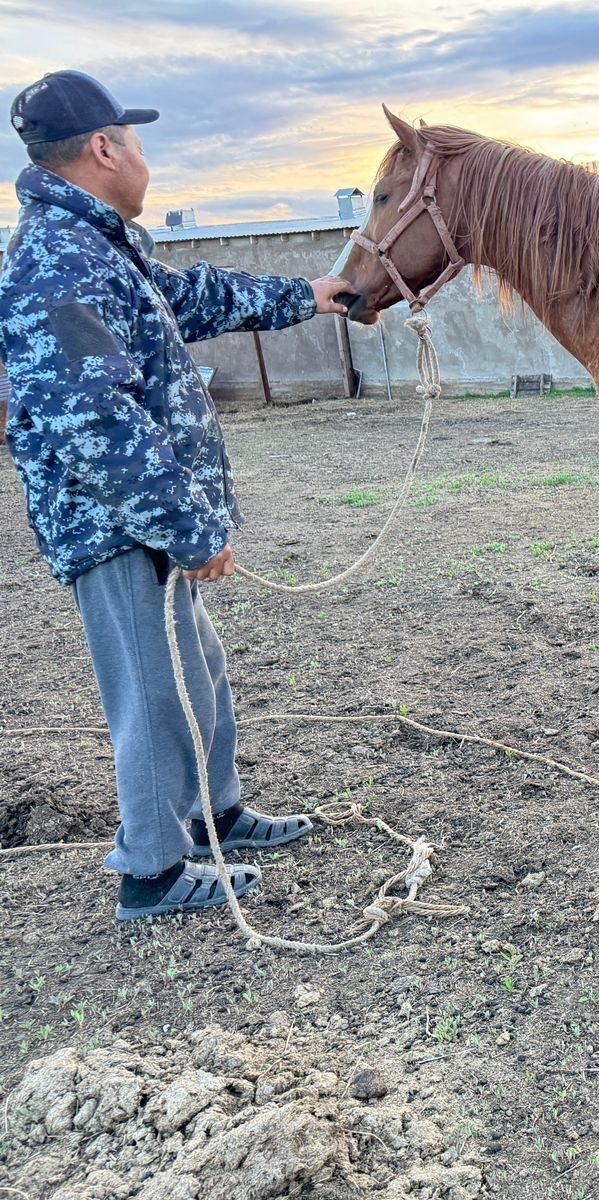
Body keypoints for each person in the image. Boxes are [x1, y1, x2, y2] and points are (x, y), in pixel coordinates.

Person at [0, 71, 352, 920]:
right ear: (104, 147)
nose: (144, 154)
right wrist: (188, 527)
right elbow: (94, 427)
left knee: (195, 670)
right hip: (115, 527)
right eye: (138, 139)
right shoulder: (54, 261)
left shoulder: (102, 244)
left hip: (148, 523)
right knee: (151, 691)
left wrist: (305, 296)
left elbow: (194, 298)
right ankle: (151, 869)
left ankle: (214, 814)